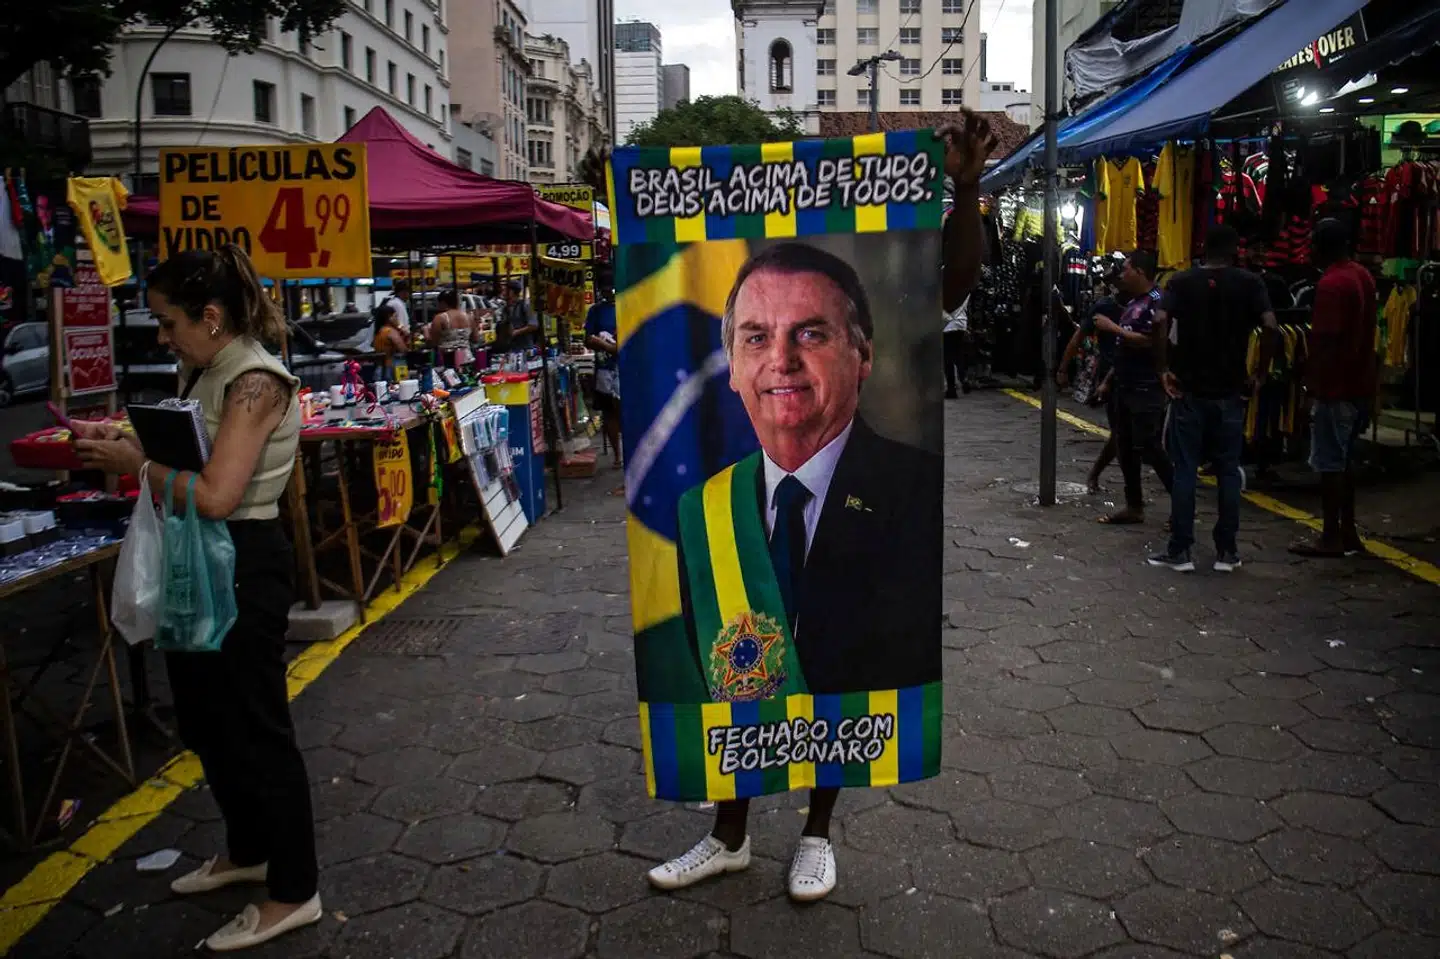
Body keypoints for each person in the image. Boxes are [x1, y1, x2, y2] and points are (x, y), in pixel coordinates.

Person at [650, 241, 943, 903]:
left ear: (862, 355)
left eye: (810, 333)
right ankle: (729, 836)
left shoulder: (913, 488)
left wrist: (968, 196)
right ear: (732, 366)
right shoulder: (703, 508)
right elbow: (718, 669)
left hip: (851, 708)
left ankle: (817, 832)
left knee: (838, 665)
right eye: (756, 337)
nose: (780, 360)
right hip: (740, 721)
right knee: (736, 669)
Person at [73, 245, 319, 951]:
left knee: (256, 729)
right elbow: (194, 446)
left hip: (242, 563)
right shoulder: (207, 370)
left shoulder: (256, 382)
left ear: (210, 317)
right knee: (208, 722)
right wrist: (122, 437)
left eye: (168, 321)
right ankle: (250, 849)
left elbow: (216, 494)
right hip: (200, 563)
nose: (162, 336)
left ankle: (294, 890)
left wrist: (137, 465)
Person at [1151, 225, 1276, 572]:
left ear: (1204, 248)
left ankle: (1181, 550)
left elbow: (1159, 320)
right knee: (1228, 470)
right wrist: (1260, 373)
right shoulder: (1250, 283)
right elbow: (1270, 325)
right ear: (1236, 250)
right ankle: (1227, 551)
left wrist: (1162, 369)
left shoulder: (1181, 281)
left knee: (1185, 469)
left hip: (1189, 388)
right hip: (1230, 389)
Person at [1290, 218, 1377, 558]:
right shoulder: (1362, 276)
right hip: (1359, 385)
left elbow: (1326, 342)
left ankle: (1330, 536)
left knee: (1330, 464)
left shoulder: (1331, 284)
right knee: (1344, 462)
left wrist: (1310, 388)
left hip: (1335, 388)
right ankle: (1348, 532)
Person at [1092, 251, 1174, 525]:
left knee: (1150, 445)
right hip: (1125, 383)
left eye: (1126, 269)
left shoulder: (1157, 301)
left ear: (1140, 271)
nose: (1121, 274)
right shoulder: (1134, 302)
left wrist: (1113, 328)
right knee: (1124, 445)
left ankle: (1182, 504)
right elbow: (1125, 347)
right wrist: (1108, 381)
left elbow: (1150, 341)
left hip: (1146, 384)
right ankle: (1133, 505)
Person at [1058, 268, 1123, 492]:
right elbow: (1078, 337)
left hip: (1137, 375)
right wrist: (1063, 369)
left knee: (1129, 435)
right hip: (1112, 377)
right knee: (1122, 432)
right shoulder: (1104, 306)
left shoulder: (1145, 302)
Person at [584, 274, 621, 468]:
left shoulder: (628, 304)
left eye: (610, 289)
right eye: (605, 289)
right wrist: (606, 346)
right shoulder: (596, 311)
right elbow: (587, 339)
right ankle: (617, 455)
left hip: (625, 368)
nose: (608, 293)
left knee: (624, 411)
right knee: (609, 413)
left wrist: (607, 346)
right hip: (604, 369)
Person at [426, 288, 476, 366]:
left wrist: (426, 332)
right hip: (467, 358)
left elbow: (433, 343)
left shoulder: (440, 318)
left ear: (443, 303)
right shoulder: (469, 317)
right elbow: (475, 339)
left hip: (447, 359)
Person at [496, 278, 539, 353]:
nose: (502, 293)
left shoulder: (526, 305)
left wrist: (516, 332)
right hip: (509, 347)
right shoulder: (505, 308)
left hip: (524, 348)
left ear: (512, 292)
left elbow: (534, 325)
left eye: (504, 290)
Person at [942, 294, 971, 398]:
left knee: (948, 358)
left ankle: (951, 389)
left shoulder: (950, 289)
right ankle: (963, 378)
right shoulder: (965, 288)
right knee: (958, 355)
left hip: (948, 325)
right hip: (961, 323)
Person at [370, 302, 408, 374]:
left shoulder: (379, 331)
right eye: (395, 316)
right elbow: (403, 349)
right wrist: (400, 327)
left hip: (379, 367)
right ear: (389, 318)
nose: (397, 319)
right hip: (391, 367)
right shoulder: (390, 331)